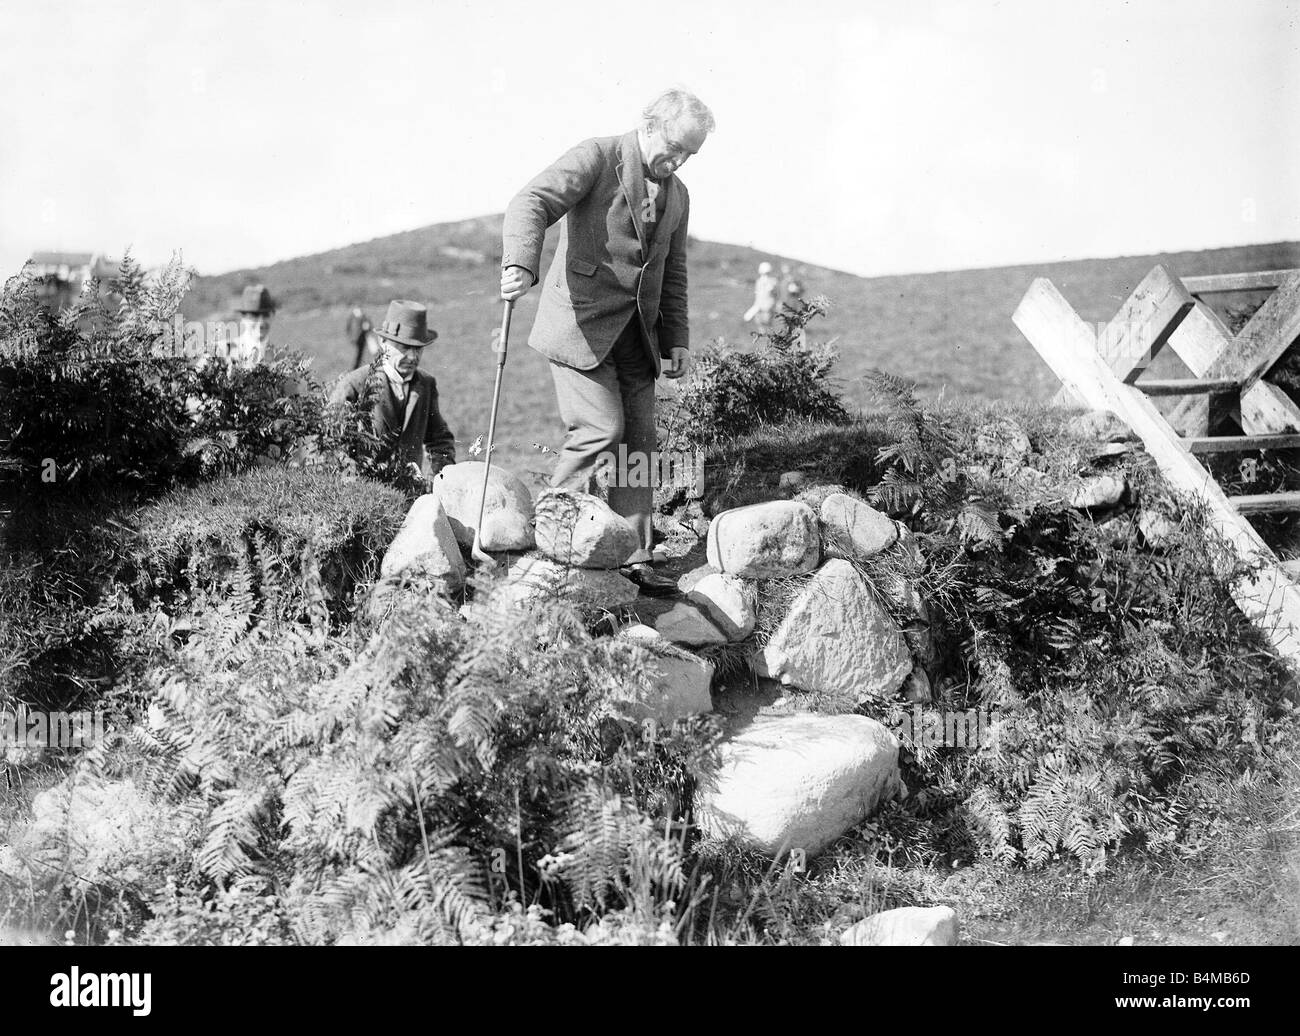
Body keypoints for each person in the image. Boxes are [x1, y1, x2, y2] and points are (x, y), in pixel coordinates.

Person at [500, 87, 713, 596]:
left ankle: (633, 557)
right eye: (675, 147)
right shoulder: (598, 157)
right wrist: (519, 263)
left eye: (690, 154)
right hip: (579, 325)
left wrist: (676, 339)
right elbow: (530, 200)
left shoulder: (678, 195)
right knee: (600, 428)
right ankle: (553, 542)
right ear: (649, 124)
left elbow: (673, 272)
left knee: (638, 442)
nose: (678, 160)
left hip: (636, 336)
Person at [328, 299, 456, 479]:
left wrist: (441, 477)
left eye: (418, 349)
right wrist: (355, 484)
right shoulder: (354, 385)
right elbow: (331, 444)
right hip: (364, 493)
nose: (413, 357)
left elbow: (440, 440)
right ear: (383, 342)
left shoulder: (426, 384)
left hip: (411, 493)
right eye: (404, 347)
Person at [227, 284, 276, 368]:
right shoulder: (224, 352)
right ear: (243, 318)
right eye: (255, 315)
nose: (261, 322)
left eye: (265, 315)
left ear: (272, 316)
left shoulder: (281, 358)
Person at [743, 261, 779, 331]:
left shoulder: (773, 282)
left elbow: (776, 295)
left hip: (768, 307)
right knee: (760, 324)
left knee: (767, 323)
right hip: (759, 306)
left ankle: (768, 336)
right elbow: (758, 296)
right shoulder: (759, 282)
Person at [346, 305, 375, 369]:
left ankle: (358, 367)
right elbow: (348, 328)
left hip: (362, 339)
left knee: (361, 354)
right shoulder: (352, 318)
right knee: (356, 355)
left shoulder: (363, 317)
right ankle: (354, 368)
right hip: (356, 339)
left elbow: (369, 325)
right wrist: (350, 337)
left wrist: (367, 327)